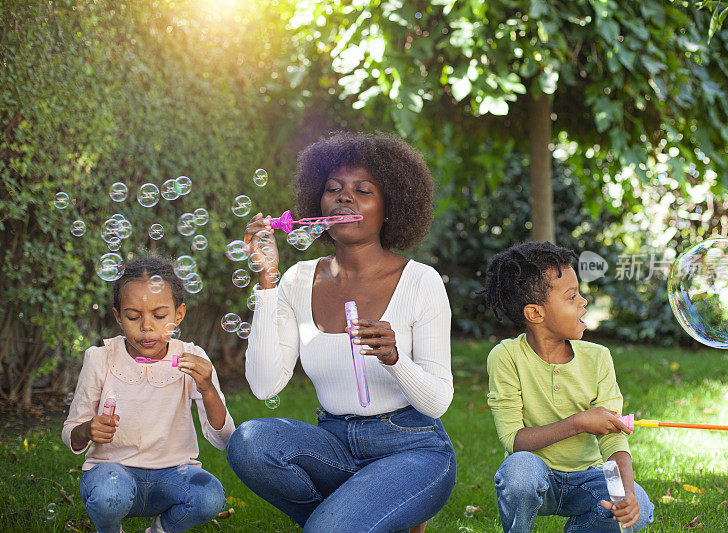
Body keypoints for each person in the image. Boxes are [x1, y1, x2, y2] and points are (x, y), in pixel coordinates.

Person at [226, 132, 456, 532]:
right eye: (333, 189)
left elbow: (438, 402)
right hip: (333, 445)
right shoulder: (297, 280)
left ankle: (357, 514)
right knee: (249, 442)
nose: (344, 197)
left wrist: (395, 359)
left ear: (390, 207)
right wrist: (267, 281)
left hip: (412, 447)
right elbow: (264, 386)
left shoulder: (421, 281)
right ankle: (368, 514)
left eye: (362, 190)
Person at [479, 241, 655, 532]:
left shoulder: (598, 357)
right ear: (535, 314)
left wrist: (627, 491)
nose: (583, 302)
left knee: (641, 508)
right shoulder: (506, 356)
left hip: (589, 477)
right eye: (571, 297)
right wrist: (579, 423)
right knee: (519, 472)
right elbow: (514, 440)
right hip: (537, 476)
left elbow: (612, 440)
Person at [62, 256, 234, 533]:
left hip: (173, 475)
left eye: (159, 315)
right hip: (113, 473)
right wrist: (87, 430)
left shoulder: (190, 358)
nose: (146, 326)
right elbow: (71, 432)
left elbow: (223, 437)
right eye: (133, 316)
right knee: (108, 495)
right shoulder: (101, 358)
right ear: (118, 317)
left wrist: (208, 388)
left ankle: (159, 530)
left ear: (178, 315)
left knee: (210, 496)